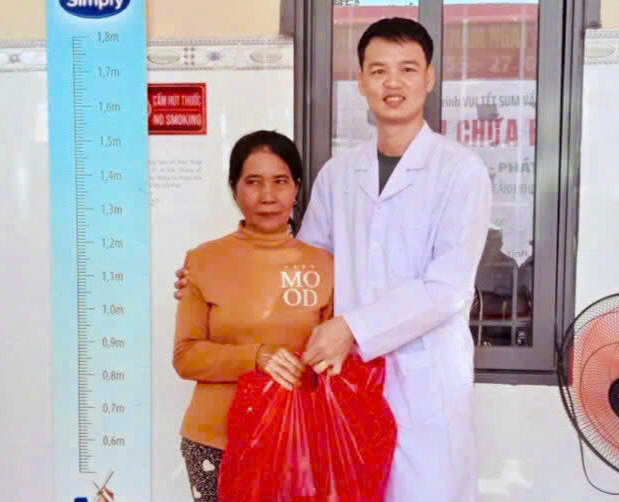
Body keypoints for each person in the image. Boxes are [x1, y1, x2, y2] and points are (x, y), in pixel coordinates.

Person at [175, 18, 493, 501]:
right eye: (378, 70)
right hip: (343, 386)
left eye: (407, 69)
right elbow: (302, 268)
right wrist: (208, 278)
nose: (392, 83)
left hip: (424, 382)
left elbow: (447, 287)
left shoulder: (460, 172)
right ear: (360, 80)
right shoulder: (339, 174)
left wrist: (353, 328)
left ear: (429, 78)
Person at [172, 130, 334, 501]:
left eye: (280, 181)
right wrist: (256, 357)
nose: (267, 196)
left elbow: (332, 363)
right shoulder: (203, 260)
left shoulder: (324, 266)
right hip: (215, 442)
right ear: (234, 190)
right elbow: (185, 356)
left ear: (296, 188)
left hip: (297, 442)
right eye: (253, 182)